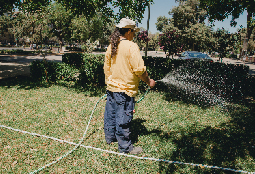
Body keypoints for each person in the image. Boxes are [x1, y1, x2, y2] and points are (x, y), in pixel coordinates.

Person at [103, 18, 156, 155]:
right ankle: (125, 148)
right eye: (133, 32)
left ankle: (110, 138)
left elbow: (107, 68)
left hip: (112, 89)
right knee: (123, 119)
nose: (134, 35)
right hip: (125, 91)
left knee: (111, 115)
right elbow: (139, 69)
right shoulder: (131, 46)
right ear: (128, 31)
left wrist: (110, 83)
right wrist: (149, 81)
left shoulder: (111, 46)